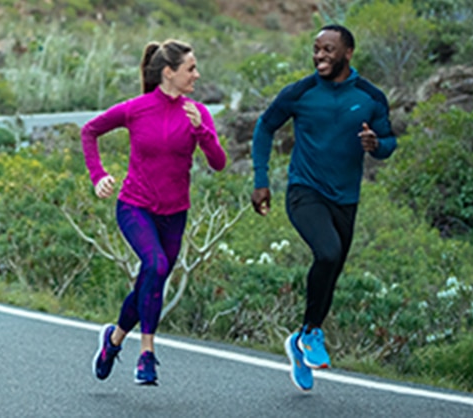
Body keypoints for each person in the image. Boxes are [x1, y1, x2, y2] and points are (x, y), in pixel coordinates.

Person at [250, 24, 397, 392]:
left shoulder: (370, 96)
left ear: (348, 53)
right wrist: (261, 180)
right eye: (316, 49)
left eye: (328, 50)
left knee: (331, 271)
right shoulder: (301, 92)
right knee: (327, 252)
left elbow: (390, 141)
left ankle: (302, 339)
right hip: (305, 191)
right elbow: (264, 127)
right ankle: (312, 334)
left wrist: (376, 144)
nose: (319, 56)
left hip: (345, 198)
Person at [81, 39, 226, 386]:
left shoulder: (198, 113)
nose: (197, 74)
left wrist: (202, 131)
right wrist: (98, 175)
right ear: (169, 72)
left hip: (175, 213)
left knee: (152, 278)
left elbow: (218, 163)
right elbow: (90, 131)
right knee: (156, 265)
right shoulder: (136, 108)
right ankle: (146, 355)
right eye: (190, 68)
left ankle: (113, 341)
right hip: (134, 206)